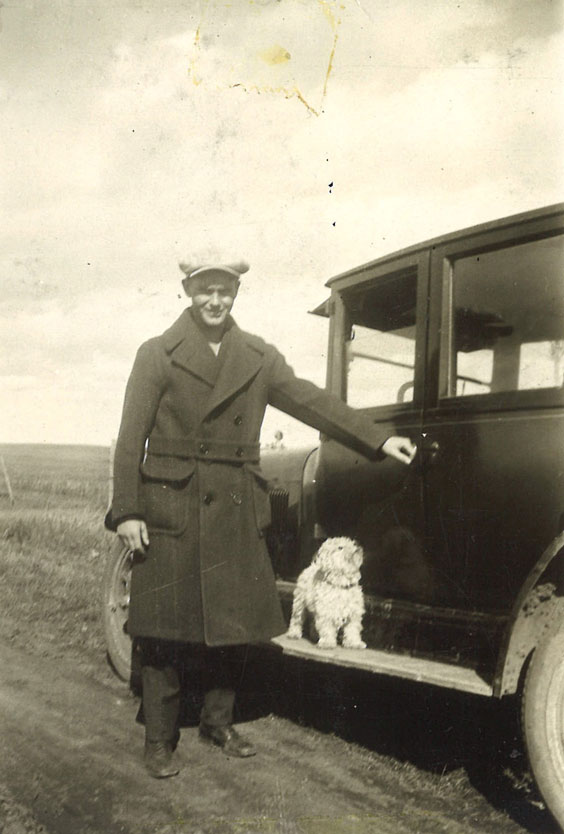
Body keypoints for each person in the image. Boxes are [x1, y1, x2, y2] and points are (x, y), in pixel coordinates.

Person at [105, 257, 416, 778]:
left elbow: (312, 402)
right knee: (164, 631)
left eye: (225, 290)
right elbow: (129, 437)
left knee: (235, 623)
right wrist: (128, 511)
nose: (215, 300)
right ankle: (159, 737)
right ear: (188, 290)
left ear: (235, 293)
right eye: (206, 290)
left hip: (232, 503)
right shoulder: (156, 354)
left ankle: (217, 720)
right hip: (171, 505)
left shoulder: (257, 356)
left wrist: (378, 437)